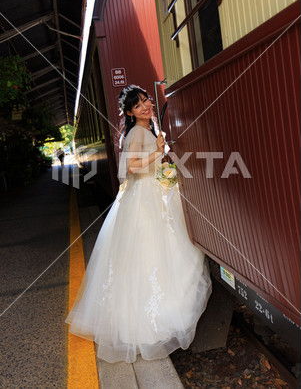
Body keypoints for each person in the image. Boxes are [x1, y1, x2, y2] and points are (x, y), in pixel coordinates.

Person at [66, 85, 212, 363]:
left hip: (155, 192)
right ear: (130, 113)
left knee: (163, 251)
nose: (146, 106)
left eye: (146, 101)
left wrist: (163, 164)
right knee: (151, 253)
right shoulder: (135, 133)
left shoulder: (149, 128)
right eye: (138, 105)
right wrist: (158, 153)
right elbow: (130, 168)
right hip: (145, 200)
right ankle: (150, 318)